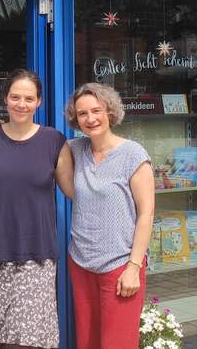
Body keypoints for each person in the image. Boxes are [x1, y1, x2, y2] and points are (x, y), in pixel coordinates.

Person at [56, 83, 155, 349]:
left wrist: (134, 266)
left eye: (96, 110)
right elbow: (35, 141)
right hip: (81, 262)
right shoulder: (74, 149)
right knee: (87, 341)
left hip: (120, 265)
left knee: (117, 344)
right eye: (82, 114)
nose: (90, 119)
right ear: (75, 118)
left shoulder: (133, 154)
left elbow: (146, 214)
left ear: (109, 111)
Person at [0, 69, 66, 348]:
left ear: (39, 101)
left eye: (29, 98)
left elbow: (76, 188)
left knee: (30, 339)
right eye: (15, 97)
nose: (21, 104)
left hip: (36, 253)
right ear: (5, 99)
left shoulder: (54, 140)